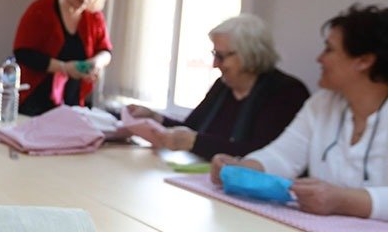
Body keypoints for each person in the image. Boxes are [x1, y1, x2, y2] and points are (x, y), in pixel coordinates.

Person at [211, 4, 388, 220]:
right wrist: (239, 169)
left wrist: (343, 201)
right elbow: (282, 156)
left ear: (364, 61)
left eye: (329, 49)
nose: (319, 59)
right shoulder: (322, 103)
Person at [127, 14, 310, 159]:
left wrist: (195, 142)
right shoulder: (222, 86)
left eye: (221, 56)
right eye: (214, 54)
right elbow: (191, 128)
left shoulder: (286, 92)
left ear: (251, 55)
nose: (215, 64)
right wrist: (155, 117)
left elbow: (263, 153)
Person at [13, 0, 112, 115]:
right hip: (34, 101)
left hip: (73, 103)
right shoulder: (40, 9)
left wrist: (95, 63)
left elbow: (106, 51)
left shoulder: (95, 17)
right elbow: (23, 53)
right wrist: (64, 68)